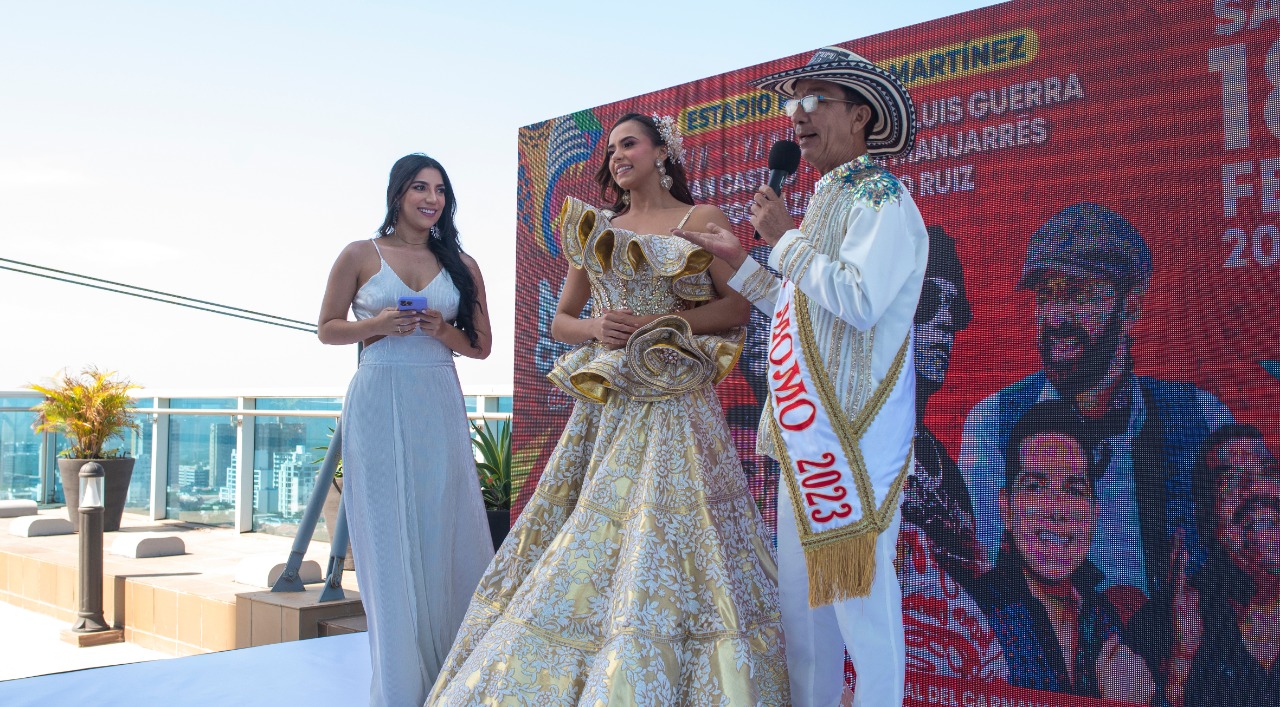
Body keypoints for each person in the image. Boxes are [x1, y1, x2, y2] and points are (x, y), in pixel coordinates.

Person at [428, 113, 789, 705]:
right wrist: (598, 326)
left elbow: (737, 308)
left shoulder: (700, 221)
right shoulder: (597, 227)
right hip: (610, 409)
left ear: (661, 151)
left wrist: (659, 323)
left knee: (671, 535)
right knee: (593, 537)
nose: (617, 156)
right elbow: (561, 320)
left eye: (630, 144)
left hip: (676, 407)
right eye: (612, 149)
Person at [677, 46, 928, 707]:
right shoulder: (823, 201)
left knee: (861, 612)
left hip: (851, 440)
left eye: (816, 102)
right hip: (802, 437)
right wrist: (745, 261)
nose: (799, 117)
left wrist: (784, 240)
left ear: (862, 116)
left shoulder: (882, 197)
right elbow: (802, 305)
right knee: (803, 619)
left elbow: (860, 299)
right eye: (794, 105)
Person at [958, 203, 1232, 609]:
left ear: (1132, 306)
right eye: (1047, 295)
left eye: (1081, 294)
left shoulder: (1200, 416)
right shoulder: (995, 420)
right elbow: (979, 579)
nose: (1057, 317)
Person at [317, 153, 495, 706]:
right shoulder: (358, 254)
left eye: (440, 190)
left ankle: (457, 679)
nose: (432, 198)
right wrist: (378, 325)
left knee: (446, 527)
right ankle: (399, 687)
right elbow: (326, 329)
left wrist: (443, 329)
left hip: (437, 396)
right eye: (420, 187)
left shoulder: (463, 264)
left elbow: (482, 347)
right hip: (377, 398)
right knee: (386, 538)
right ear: (398, 193)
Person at [969, 400, 1156, 703]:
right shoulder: (974, 614)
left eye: (1074, 490)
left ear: (1095, 513)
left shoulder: (1103, 618)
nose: (1057, 510)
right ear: (1006, 508)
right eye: (1035, 486)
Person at [897, 225, 1007, 682]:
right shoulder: (847, 439)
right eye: (926, 303)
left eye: (956, 310)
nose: (945, 322)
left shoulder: (941, 460)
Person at [1129, 424, 1280, 707]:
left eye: (1267, 471)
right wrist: (1181, 662)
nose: (1255, 488)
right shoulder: (1160, 624)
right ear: (1204, 522)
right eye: (1231, 480)